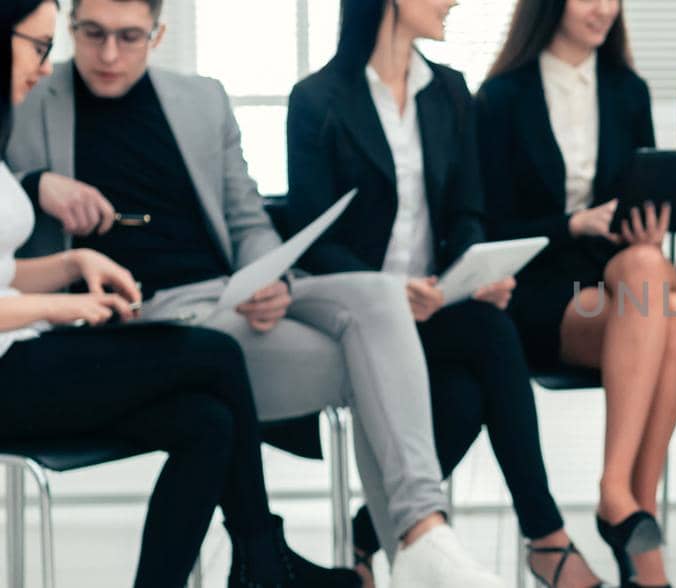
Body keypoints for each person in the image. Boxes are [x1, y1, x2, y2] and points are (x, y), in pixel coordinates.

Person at [5, 0, 501, 585]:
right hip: (147, 320)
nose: (109, 54)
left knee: (378, 299)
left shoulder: (201, 100)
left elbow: (247, 221)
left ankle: (420, 532)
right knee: (385, 366)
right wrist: (37, 184)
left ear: (159, 34)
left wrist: (268, 276)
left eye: (129, 37)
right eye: (91, 35)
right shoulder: (28, 91)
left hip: (231, 296)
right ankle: (379, 551)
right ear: (69, 30)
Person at [286, 0, 602, 586]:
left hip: (433, 308)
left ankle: (378, 539)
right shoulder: (317, 99)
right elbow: (312, 238)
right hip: (357, 316)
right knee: (469, 388)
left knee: (483, 345)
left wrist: (472, 273)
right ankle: (546, 541)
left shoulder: (450, 91)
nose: (454, 1)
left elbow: (468, 211)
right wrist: (386, 291)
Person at [477, 0, 676, 585]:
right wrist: (569, 224)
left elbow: (643, 189)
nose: (604, 7)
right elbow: (484, 221)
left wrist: (645, 225)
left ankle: (625, 504)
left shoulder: (627, 89)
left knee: (674, 304)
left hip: (618, 275)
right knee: (675, 310)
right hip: (538, 286)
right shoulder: (501, 97)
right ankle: (627, 512)